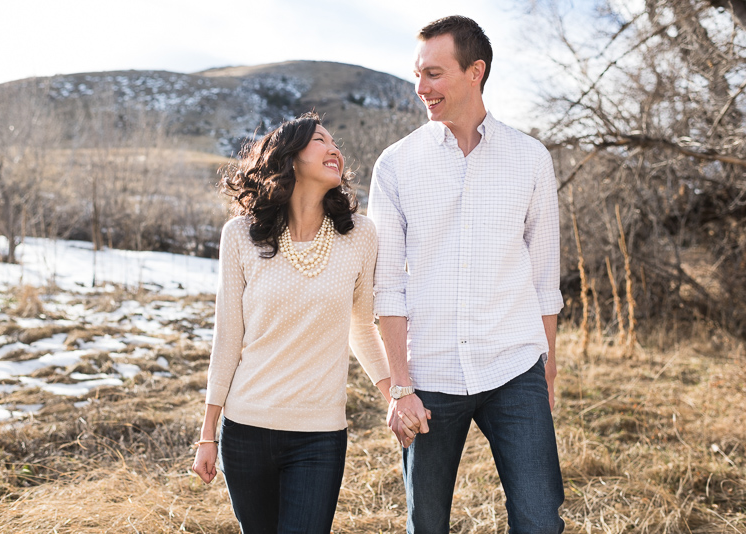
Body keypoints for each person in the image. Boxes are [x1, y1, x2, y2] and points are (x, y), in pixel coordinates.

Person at [367, 15, 565, 534]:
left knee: (541, 520)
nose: (420, 88)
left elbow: (545, 279)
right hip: (429, 377)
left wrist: (545, 371)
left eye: (433, 74)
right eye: (417, 74)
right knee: (425, 524)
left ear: (475, 71)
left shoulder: (530, 159)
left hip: (514, 366)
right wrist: (399, 389)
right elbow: (387, 287)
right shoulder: (395, 166)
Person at [192, 112, 391, 534]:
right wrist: (208, 434)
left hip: (319, 433)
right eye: (320, 140)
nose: (334, 148)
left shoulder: (360, 236)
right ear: (290, 158)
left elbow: (362, 326)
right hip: (246, 430)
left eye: (335, 142)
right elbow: (227, 338)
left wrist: (396, 394)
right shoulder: (241, 235)